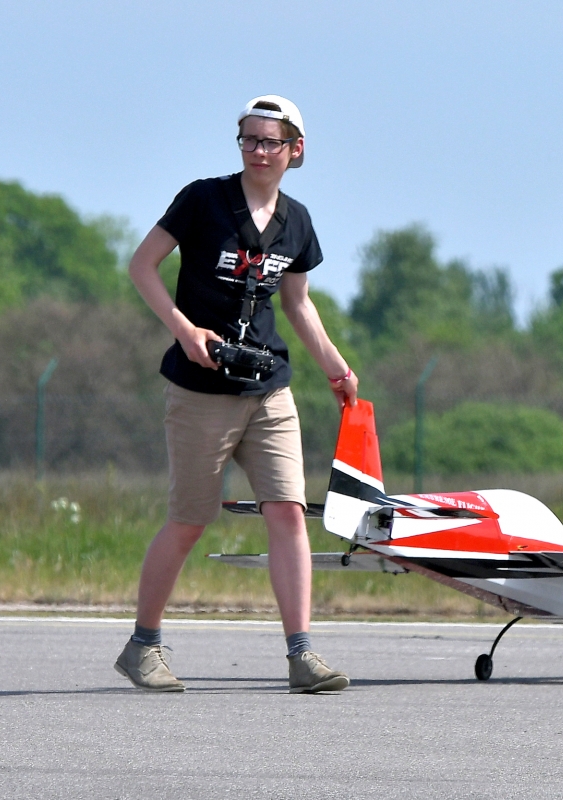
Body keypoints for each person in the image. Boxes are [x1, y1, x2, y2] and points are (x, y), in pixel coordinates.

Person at [115, 95, 358, 693]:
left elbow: (298, 303)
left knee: (288, 511)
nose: (257, 150)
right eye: (248, 139)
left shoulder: (297, 221)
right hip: (201, 389)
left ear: (295, 150)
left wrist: (336, 368)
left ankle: (301, 655)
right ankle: (142, 646)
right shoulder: (204, 199)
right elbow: (142, 266)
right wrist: (185, 330)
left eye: (270, 141)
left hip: (268, 388)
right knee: (189, 520)